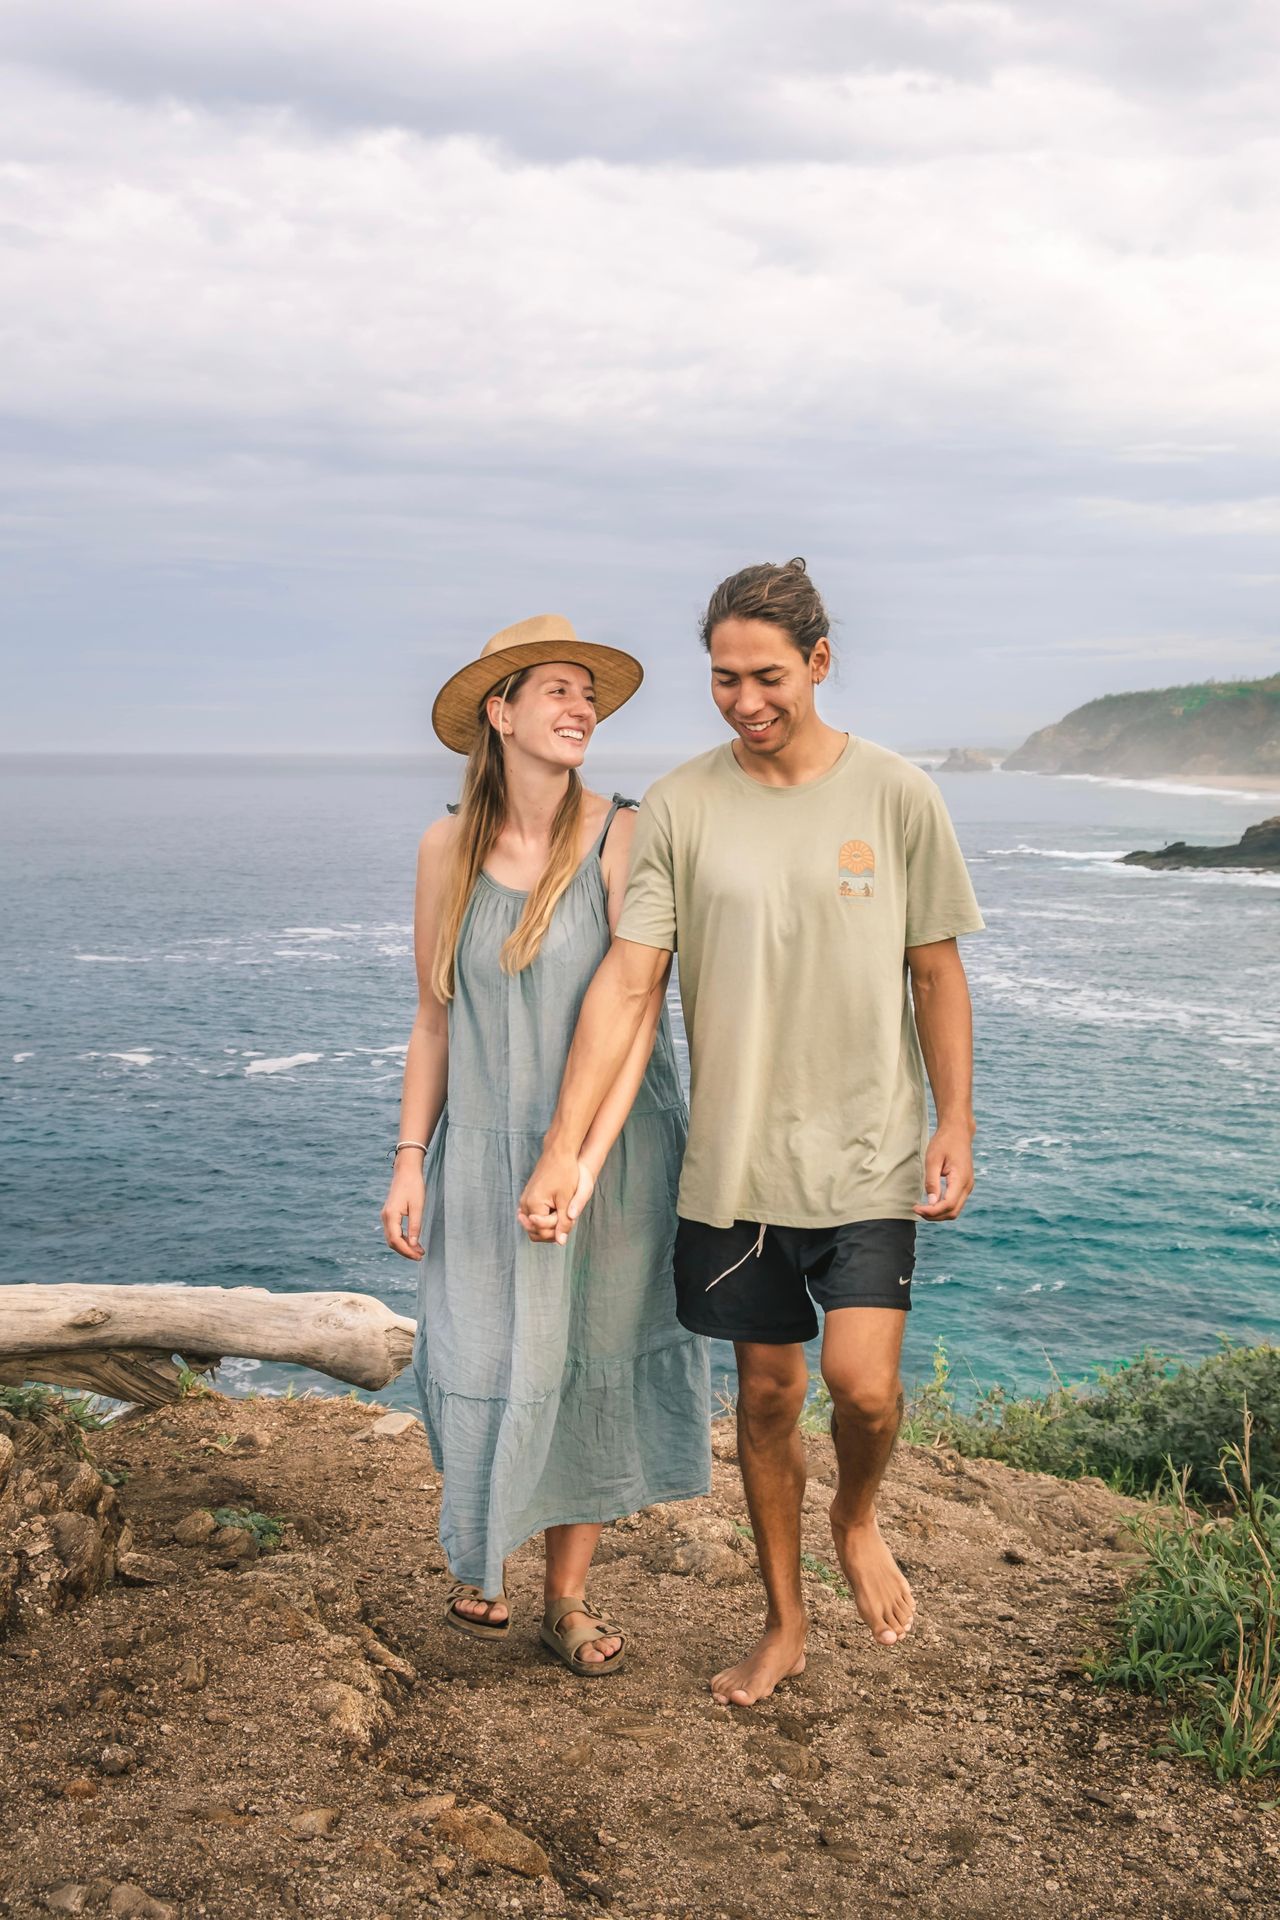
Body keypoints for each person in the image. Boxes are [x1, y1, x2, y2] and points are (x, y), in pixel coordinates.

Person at [519, 560, 984, 1706]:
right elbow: (628, 987)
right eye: (723, 678)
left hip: (868, 1150)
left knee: (862, 1387)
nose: (742, 700)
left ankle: (856, 1514)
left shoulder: (895, 793)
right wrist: (561, 1148)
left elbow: (935, 969)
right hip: (729, 1172)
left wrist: (957, 1117)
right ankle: (783, 1624)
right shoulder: (678, 804)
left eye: (765, 675)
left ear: (818, 664)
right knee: (768, 1400)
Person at [382, 613, 710, 1677]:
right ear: (500, 711)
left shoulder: (623, 833)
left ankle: (563, 1598)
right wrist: (405, 1157)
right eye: (557, 690)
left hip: (614, 1151)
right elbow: (433, 1016)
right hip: (482, 1147)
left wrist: (576, 1158)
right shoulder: (446, 848)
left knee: (587, 1357)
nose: (580, 710)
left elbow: (634, 1010)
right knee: (471, 1351)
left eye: (589, 695)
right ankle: (486, 1550)